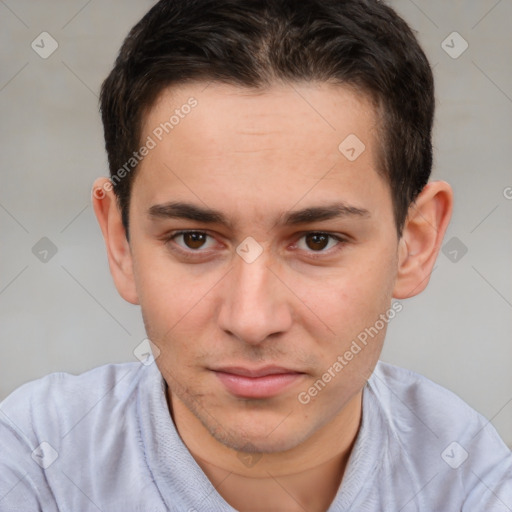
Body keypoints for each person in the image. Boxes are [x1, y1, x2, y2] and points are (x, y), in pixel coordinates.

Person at [1, 0, 511, 510]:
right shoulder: (36, 463)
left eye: (317, 240)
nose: (251, 320)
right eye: (194, 239)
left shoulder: (467, 480)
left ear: (415, 243)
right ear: (120, 241)